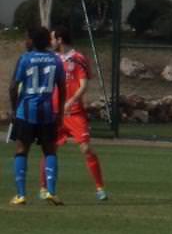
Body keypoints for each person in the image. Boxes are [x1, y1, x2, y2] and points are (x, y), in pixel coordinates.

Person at [45, 26, 108, 201]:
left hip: (74, 113)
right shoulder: (50, 59)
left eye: (52, 38)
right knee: (50, 150)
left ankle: (99, 188)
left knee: (86, 148)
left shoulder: (79, 59)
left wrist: (71, 101)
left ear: (59, 40)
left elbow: (83, 85)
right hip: (54, 114)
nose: (50, 42)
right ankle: (45, 189)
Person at [11, 26, 65, 206]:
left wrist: (14, 110)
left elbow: (13, 87)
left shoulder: (25, 59)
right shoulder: (55, 60)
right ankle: (51, 191)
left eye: (27, 38)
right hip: (48, 112)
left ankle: (21, 195)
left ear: (32, 41)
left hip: (26, 112)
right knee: (50, 150)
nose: (25, 41)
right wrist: (61, 112)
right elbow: (62, 87)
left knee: (21, 150)